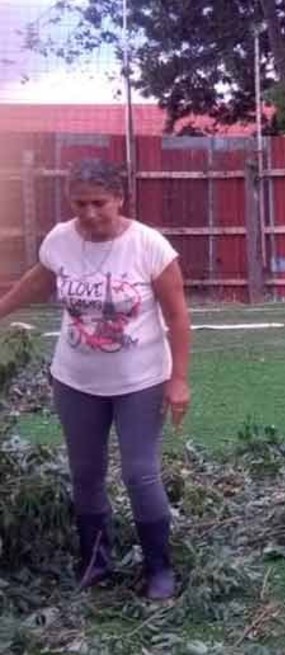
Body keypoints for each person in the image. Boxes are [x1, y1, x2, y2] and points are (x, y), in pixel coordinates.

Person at [0, 159, 192, 600]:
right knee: (85, 473)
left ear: (119, 198)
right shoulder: (60, 240)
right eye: (79, 203)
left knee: (140, 473)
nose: (89, 213)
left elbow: (179, 317)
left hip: (140, 380)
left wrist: (179, 379)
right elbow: (36, 282)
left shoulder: (149, 246)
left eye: (99, 203)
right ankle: (94, 562)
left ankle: (159, 568)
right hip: (74, 380)